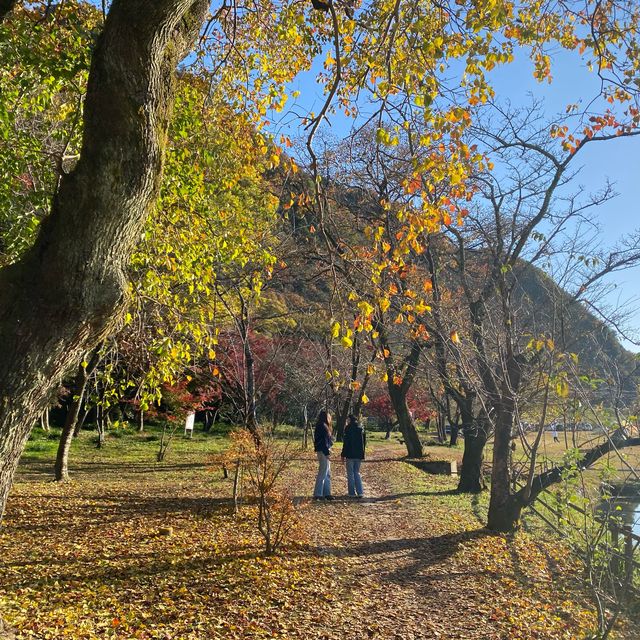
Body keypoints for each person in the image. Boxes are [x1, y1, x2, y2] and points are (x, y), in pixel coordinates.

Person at [341, 414, 366, 498]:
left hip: (350, 454)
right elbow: (364, 443)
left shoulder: (348, 429)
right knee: (357, 472)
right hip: (358, 454)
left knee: (350, 474)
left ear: (349, 420)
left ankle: (351, 492)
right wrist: (362, 454)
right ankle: (360, 492)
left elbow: (346, 443)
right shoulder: (360, 429)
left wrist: (343, 454)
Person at [313, 410, 334, 500]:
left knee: (327, 473)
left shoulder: (322, 426)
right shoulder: (322, 427)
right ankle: (318, 493)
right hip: (322, 451)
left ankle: (326, 493)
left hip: (323, 450)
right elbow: (323, 442)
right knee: (323, 472)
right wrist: (327, 452)